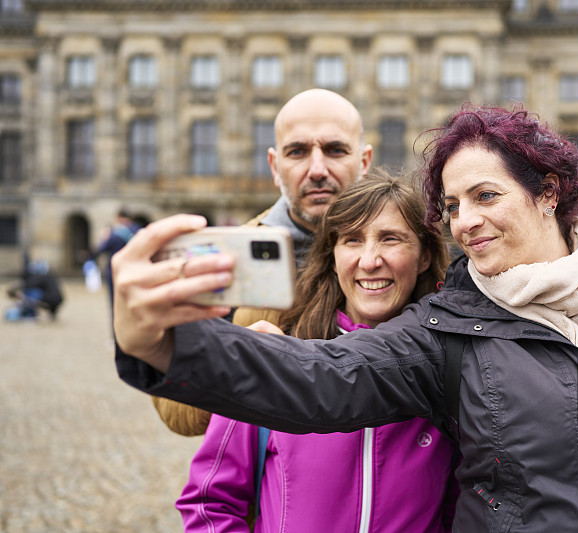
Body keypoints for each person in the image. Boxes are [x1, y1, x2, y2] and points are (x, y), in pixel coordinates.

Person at [113, 104, 578, 533]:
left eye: (485, 195)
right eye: (451, 204)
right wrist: (165, 341)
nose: (465, 220)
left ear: (547, 193)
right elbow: (320, 377)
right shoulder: (448, 328)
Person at [176, 172, 457, 532]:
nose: (370, 260)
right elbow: (209, 503)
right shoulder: (273, 358)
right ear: (333, 255)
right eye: (352, 240)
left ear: (423, 256)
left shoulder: (449, 370)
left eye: (390, 239)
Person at [152, 88, 373, 436]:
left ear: (363, 161)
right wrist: (234, 363)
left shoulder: (406, 253)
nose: (317, 169)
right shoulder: (225, 258)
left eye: (335, 150)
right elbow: (174, 412)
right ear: (274, 166)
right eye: (297, 152)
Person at [91, 208, 142, 304]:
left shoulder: (114, 234)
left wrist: (103, 238)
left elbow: (100, 249)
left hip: (115, 271)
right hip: (134, 270)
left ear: (120, 218)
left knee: (115, 301)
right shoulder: (137, 230)